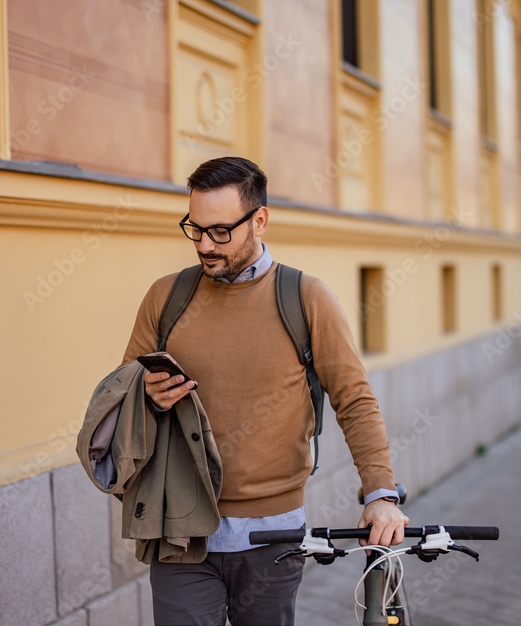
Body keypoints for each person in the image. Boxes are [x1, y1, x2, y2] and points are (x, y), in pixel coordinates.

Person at [119, 156, 407, 625]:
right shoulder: (164, 297)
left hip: (272, 536)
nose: (205, 245)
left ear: (260, 221)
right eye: (195, 229)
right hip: (179, 534)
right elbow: (121, 393)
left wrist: (380, 493)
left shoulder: (306, 298)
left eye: (220, 231)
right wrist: (146, 396)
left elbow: (353, 400)